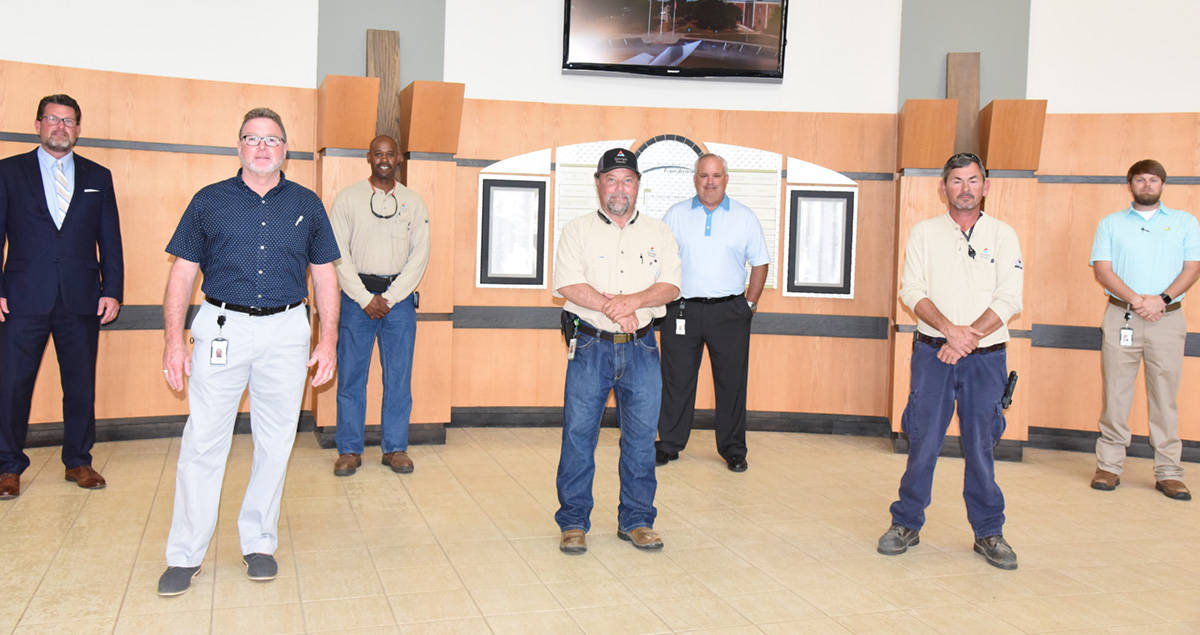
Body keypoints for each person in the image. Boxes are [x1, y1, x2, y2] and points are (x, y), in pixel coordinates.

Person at [157, 108, 340, 596]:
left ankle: (259, 542)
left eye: (272, 140)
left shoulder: (308, 204)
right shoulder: (208, 201)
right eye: (252, 139)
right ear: (238, 146)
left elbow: (324, 275)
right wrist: (174, 340)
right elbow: (181, 276)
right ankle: (185, 553)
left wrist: (328, 339)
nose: (262, 147)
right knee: (203, 441)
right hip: (222, 327)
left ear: (286, 149)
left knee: (276, 440)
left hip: (286, 330)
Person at [877, 152, 1023, 570]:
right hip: (933, 354)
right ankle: (906, 523)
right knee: (923, 443)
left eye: (973, 180)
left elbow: (1010, 297)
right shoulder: (924, 233)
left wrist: (967, 337)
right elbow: (911, 291)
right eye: (956, 181)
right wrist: (949, 332)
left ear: (986, 186)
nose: (965, 188)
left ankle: (988, 532)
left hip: (986, 360)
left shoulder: (1003, 235)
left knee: (981, 447)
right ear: (943, 188)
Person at [553, 148, 681, 555]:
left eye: (627, 180)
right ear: (598, 184)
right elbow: (569, 285)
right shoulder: (577, 230)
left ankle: (638, 520)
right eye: (611, 180)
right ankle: (573, 521)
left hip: (642, 348)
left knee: (641, 440)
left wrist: (631, 303)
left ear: (637, 185)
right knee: (578, 436)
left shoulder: (659, 232)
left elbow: (671, 287)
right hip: (590, 344)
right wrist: (616, 308)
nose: (619, 188)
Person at [0, 94, 124, 499]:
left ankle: (78, 460)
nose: (60, 127)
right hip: (21, 297)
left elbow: (110, 238)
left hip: (81, 297)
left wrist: (113, 290)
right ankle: (8, 466)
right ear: (38, 124)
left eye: (68, 121)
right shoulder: (8, 172)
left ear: (78, 129)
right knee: (12, 384)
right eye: (52, 119)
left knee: (80, 383)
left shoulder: (97, 175)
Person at [1089, 159, 1200, 501]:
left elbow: (1193, 267)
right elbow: (1103, 271)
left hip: (1167, 319)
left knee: (1165, 398)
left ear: (1162, 185)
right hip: (1122, 316)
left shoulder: (1184, 222)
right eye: (1141, 180)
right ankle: (1109, 466)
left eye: (1154, 180)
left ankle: (1168, 471)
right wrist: (1138, 300)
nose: (1147, 185)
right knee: (1116, 394)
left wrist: (1161, 300)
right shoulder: (1111, 223)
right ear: (1130, 185)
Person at [656, 153, 768, 472]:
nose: (710, 182)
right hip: (682, 311)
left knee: (732, 383)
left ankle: (733, 450)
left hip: (730, 311)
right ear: (695, 179)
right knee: (676, 381)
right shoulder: (676, 215)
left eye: (716, 175)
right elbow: (661, 261)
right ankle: (669, 444)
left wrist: (749, 303)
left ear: (725, 179)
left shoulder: (744, 217)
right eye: (704, 175)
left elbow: (760, 262)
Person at [328, 134, 430, 476]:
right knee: (351, 378)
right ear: (368, 157)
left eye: (390, 154)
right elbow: (337, 255)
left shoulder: (413, 202)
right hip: (357, 300)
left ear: (398, 158)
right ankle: (350, 450)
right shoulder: (347, 199)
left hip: (397, 302)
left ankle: (395, 448)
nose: (384, 159)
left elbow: (420, 256)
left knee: (398, 378)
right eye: (378, 154)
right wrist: (364, 297)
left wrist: (390, 297)